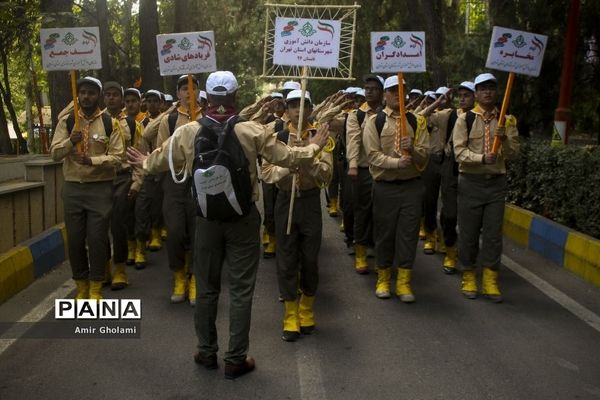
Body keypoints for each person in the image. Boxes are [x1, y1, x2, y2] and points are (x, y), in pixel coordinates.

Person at [128, 71, 330, 379]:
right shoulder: (253, 131)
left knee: (207, 288)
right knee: (240, 289)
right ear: (235, 98)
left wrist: (142, 161)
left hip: (206, 220)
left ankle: (206, 351)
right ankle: (236, 358)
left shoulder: (188, 132)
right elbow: (290, 157)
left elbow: (157, 162)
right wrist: (314, 145)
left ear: (206, 99)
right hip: (243, 220)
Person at [261, 89, 333, 342]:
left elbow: (326, 175)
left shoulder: (321, 136)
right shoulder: (276, 136)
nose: (297, 111)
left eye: (303, 106)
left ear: (311, 109)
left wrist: (309, 157)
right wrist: (289, 164)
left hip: (310, 202)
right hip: (284, 201)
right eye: (293, 106)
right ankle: (290, 313)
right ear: (287, 110)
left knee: (310, 258)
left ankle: (306, 308)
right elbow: (267, 173)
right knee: (287, 257)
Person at [50, 76, 124, 299]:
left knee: (97, 238)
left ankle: (95, 286)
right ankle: (80, 284)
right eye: (82, 92)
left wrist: (94, 160)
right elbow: (54, 154)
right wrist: (70, 142)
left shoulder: (111, 123)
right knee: (74, 239)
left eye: (91, 93)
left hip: (99, 189)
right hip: (73, 188)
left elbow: (118, 157)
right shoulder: (68, 122)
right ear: (77, 95)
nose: (86, 97)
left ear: (98, 96)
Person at [453, 73, 520, 302]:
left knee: (492, 235)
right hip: (470, 181)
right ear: (476, 94)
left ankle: (491, 279)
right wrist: (481, 158)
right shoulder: (465, 119)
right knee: (469, 234)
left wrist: (505, 139)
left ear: (497, 91)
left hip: (496, 184)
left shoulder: (507, 120)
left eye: (491, 88)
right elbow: (459, 152)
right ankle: (469, 275)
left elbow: (513, 155)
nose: (487, 92)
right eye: (483, 89)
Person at [363, 75, 429, 303]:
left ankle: (404, 282)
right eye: (392, 90)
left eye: (401, 90)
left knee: (408, 235)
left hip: (412, 186)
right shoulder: (374, 122)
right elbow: (372, 156)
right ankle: (383, 278)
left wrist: (414, 150)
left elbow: (425, 154)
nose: (396, 94)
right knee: (385, 235)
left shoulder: (417, 121)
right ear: (385, 94)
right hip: (385, 187)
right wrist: (395, 162)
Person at [156, 75, 201, 305]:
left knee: (197, 230)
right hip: (174, 180)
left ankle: (194, 278)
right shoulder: (169, 119)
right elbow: (161, 152)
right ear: (178, 93)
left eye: (193, 88)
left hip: (199, 181)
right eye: (185, 88)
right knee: (174, 231)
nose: (189, 93)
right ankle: (179, 276)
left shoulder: (207, 116)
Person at [345, 74, 384, 274]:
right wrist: (352, 164)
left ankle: (379, 251)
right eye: (367, 88)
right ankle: (360, 252)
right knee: (361, 211)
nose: (369, 91)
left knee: (381, 214)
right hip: (362, 169)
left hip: (385, 170)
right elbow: (353, 140)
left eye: (374, 88)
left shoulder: (389, 114)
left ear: (382, 92)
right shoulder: (356, 115)